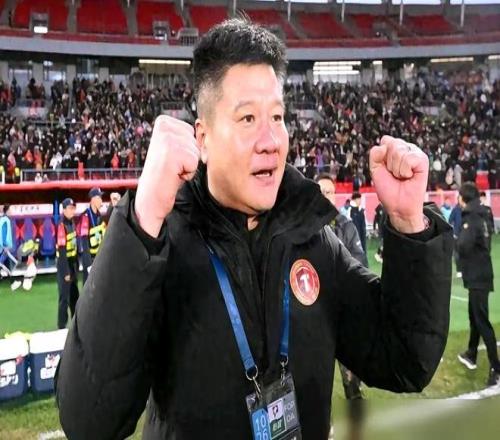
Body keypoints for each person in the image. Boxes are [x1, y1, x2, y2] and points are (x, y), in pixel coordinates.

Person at [56, 19, 453, 440]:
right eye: (247, 118)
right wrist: (141, 220)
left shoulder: (313, 237)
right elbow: (89, 422)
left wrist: (409, 224)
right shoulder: (161, 244)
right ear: (203, 139)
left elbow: (405, 359)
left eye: (277, 116)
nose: (271, 140)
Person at [316, 173, 366, 439]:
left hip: (344, 319)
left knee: (351, 380)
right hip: (315, 321)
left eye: (329, 192)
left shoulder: (346, 225)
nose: (325, 196)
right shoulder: (301, 228)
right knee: (317, 382)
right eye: (320, 191)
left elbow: (359, 266)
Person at [456, 183, 500, 387]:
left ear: (463, 198)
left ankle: (496, 368)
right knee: (474, 316)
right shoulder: (483, 215)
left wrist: (454, 243)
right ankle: (471, 354)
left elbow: (463, 245)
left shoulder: (471, 218)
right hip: (480, 273)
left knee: (482, 321)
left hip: (477, 276)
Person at [56, 198, 79, 329]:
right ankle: (61, 326)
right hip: (64, 265)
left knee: (75, 296)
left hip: (73, 264)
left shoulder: (72, 223)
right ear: (64, 210)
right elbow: (62, 250)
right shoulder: (61, 226)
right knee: (64, 298)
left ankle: (76, 324)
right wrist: (65, 272)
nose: (72, 211)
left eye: (73, 208)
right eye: (70, 208)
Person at [78, 187, 105, 285]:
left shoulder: (99, 216)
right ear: (93, 199)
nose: (101, 201)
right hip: (90, 258)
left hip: (99, 257)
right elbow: (84, 242)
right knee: (88, 286)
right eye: (99, 198)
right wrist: (88, 263)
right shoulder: (85, 216)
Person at [345, 192, 367, 256]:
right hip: (353, 238)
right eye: (359, 199)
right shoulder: (349, 210)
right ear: (355, 199)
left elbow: (363, 225)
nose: (360, 201)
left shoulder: (361, 210)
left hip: (361, 236)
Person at [449, 198, 463, 278]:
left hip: (466, 235)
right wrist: (453, 232)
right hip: (456, 235)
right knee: (457, 254)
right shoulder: (455, 210)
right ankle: (459, 270)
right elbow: (450, 220)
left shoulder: (467, 209)